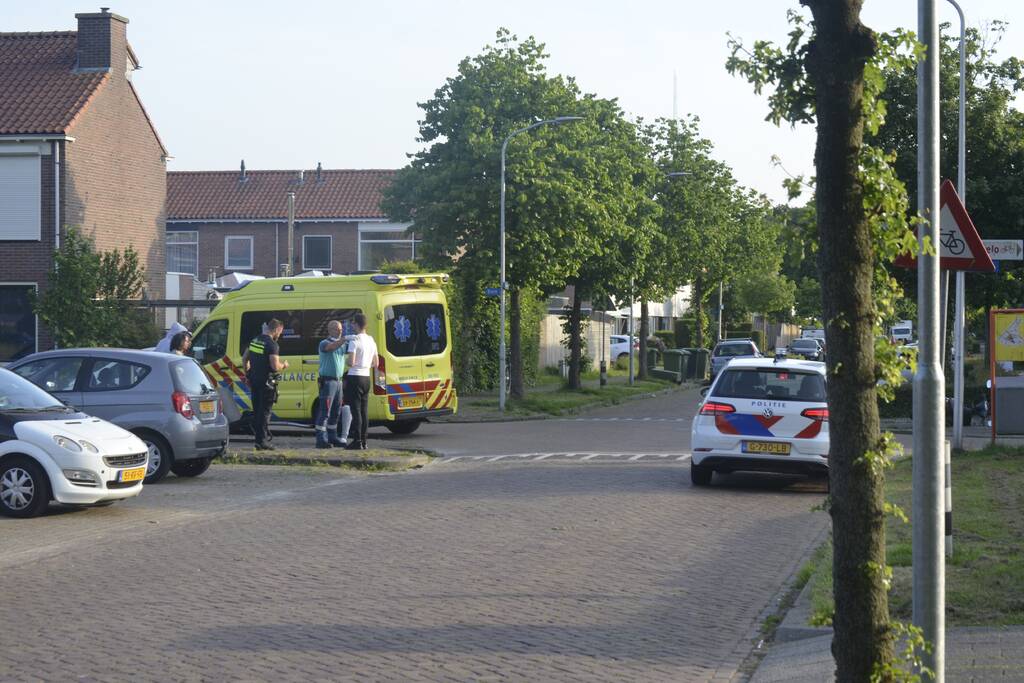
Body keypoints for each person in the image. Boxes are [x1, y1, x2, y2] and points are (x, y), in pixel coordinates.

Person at [242, 318, 289, 450]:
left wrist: (247, 374)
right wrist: (284, 365)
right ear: (276, 329)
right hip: (267, 383)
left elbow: (245, 359)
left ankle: (258, 440)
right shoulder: (272, 344)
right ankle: (262, 442)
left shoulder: (255, 341)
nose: (280, 335)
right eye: (280, 332)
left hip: (254, 381)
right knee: (264, 412)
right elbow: (275, 366)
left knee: (257, 411)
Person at [314, 320, 352, 449]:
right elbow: (331, 348)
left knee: (336, 411)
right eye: (337, 329)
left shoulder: (341, 344)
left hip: (338, 381)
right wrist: (345, 339)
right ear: (330, 330)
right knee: (325, 411)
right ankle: (320, 439)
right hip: (328, 381)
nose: (340, 331)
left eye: (341, 329)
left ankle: (332, 436)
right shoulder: (324, 343)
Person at [343, 313, 378, 450]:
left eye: (352, 323)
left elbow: (351, 362)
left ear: (356, 324)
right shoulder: (371, 340)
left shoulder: (354, 341)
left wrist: (347, 361)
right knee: (364, 410)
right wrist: (365, 364)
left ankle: (357, 441)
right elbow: (376, 362)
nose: (351, 325)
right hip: (366, 377)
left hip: (355, 377)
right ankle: (364, 440)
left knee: (355, 410)